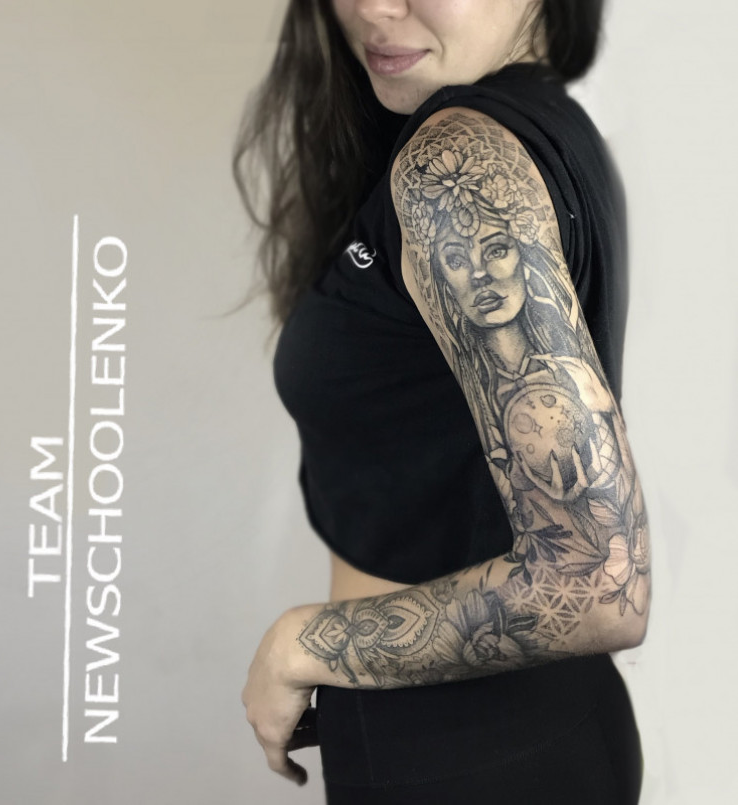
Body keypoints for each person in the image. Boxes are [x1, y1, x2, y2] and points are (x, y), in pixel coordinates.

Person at [237, 1, 649, 802]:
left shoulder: (459, 165)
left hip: (472, 759)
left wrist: (303, 643)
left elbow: (599, 582)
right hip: (497, 740)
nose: (372, 7)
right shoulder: (533, 125)